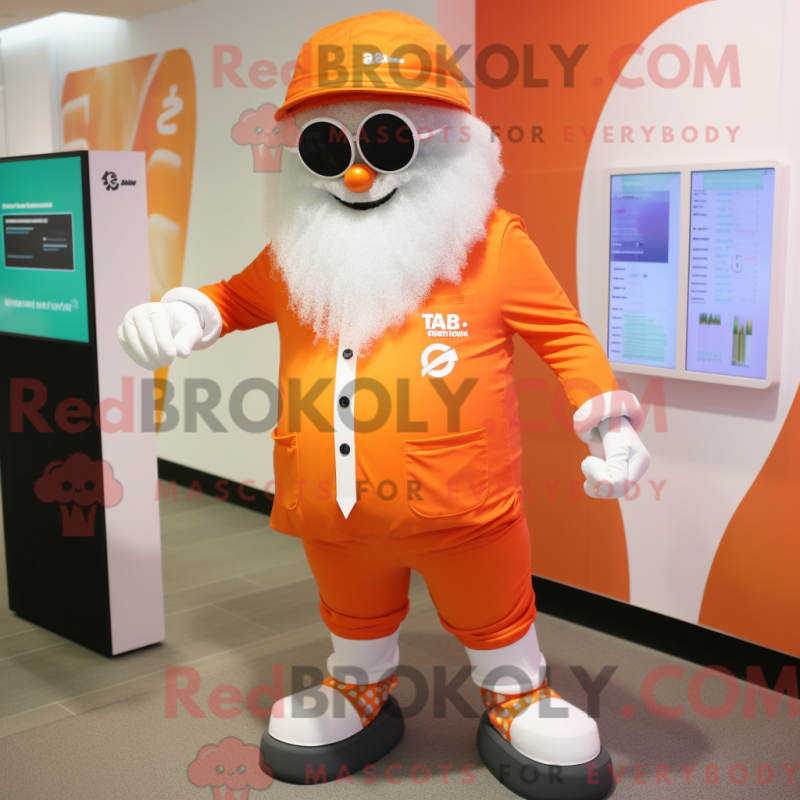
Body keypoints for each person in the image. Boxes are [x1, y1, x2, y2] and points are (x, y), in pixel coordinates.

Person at [118, 11, 649, 800]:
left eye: (388, 143)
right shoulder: (296, 254)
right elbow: (230, 298)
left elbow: (566, 339)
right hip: (332, 508)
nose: (359, 175)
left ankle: (514, 693)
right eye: (328, 149)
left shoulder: (494, 246)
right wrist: (181, 312)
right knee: (352, 612)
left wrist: (612, 425)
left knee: (494, 613)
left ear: (445, 143)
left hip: (466, 508)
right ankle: (359, 685)